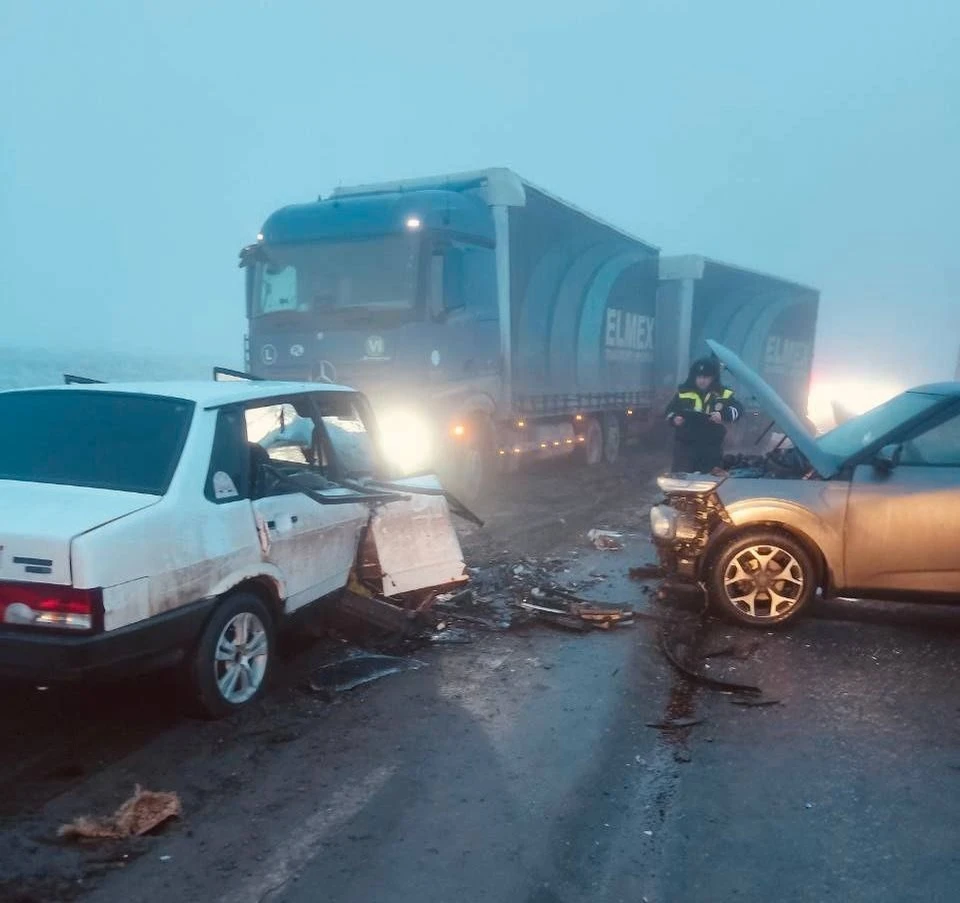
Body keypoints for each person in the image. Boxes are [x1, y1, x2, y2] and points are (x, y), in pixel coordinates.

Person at [665, 356, 743, 473]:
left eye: (706, 377)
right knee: (681, 482)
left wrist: (723, 415)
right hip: (685, 448)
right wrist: (674, 419)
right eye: (699, 377)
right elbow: (669, 412)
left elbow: (738, 410)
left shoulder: (722, 394)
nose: (702, 380)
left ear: (713, 378)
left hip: (711, 449)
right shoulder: (683, 393)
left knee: (709, 484)